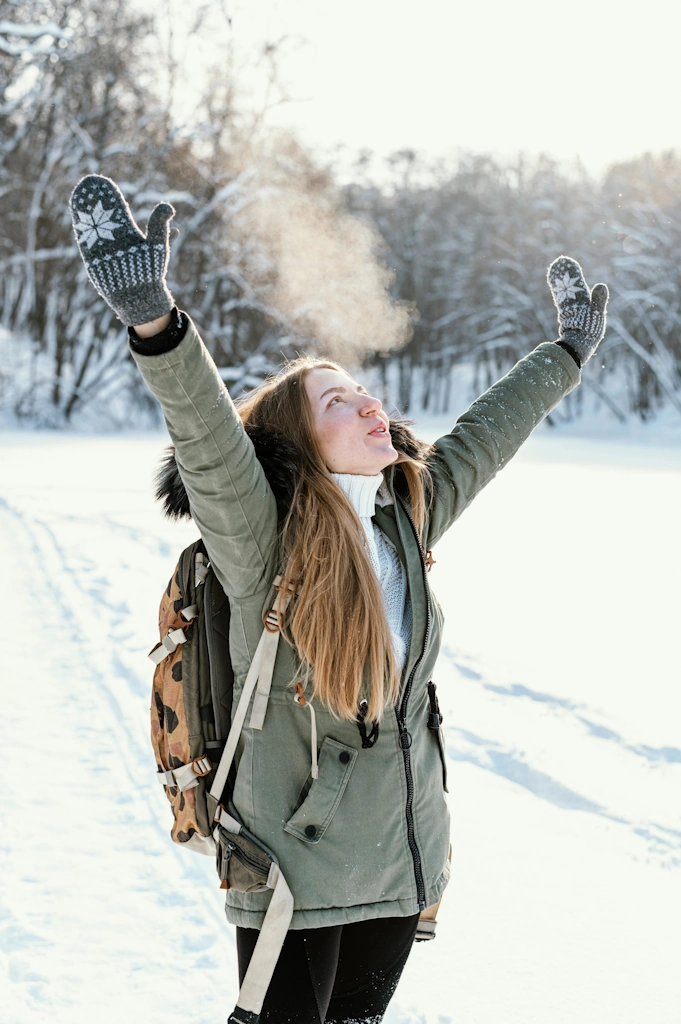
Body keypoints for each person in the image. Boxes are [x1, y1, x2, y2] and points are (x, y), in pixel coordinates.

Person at [69, 174, 609, 1024]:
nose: (368, 403)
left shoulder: (406, 512)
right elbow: (207, 439)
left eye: (362, 391)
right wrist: (157, 325)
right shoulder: (260, 539)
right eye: (336, 401)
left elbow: (486, 434)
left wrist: (566, 353)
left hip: (400, 852)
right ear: (299, 441)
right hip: (292, 865)